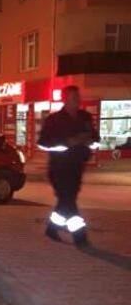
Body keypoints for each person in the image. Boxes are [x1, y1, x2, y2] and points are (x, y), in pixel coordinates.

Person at [38, 85, 99, 247]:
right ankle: (80, 236)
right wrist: (67, 142)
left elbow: (95, 138)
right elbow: (43, 143)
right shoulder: (54, 120)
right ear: (65, 99)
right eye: (74, 98)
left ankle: (52, 229)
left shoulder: (85, 117)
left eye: (78, 97)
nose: (77, 101)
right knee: (68, 201)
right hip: (59, 168)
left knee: (65, 201)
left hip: (77, 167)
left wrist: (89, 140)